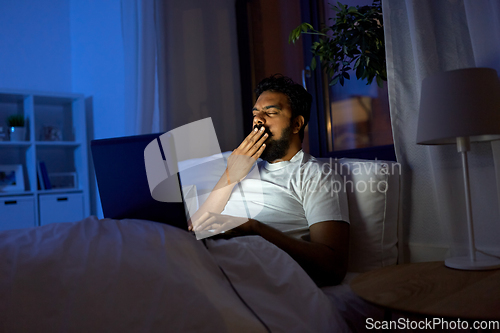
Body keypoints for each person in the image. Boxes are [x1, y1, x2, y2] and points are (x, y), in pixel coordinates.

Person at [190, 74, 350, 287]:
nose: (258, 120)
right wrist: (230, 175)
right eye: (256, 113)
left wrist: (254, 228)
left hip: (253, 274)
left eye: (271, 112)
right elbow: (195, 228)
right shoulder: (240, 167)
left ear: (296, 124)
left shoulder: (315, 174)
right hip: (206, 260)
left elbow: (333, 268)